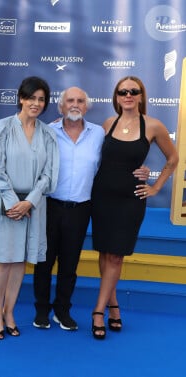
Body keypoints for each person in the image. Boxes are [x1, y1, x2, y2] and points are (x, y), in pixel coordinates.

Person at [32, 87, 151, 332]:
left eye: (80, 101)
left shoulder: (99, 133)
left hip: (82, 208)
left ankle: (62, 310)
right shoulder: (47, 131)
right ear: (61, 106)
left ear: (87, 106)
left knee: (69, 263)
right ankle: (42, 310)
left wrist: (144, 169)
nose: (75, 105)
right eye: (70, 101)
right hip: (50, 205)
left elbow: (120, 157)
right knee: (44, 261)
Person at [90, 76, 177, 340]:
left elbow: (173, 158)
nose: (128, 95)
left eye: (133, 91)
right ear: (116, 97)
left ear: (141, 96)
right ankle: (114, 306)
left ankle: (97, 312)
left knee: (116, 256)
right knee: (105, 254)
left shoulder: (153, 125)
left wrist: (155, 186)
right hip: (102, 197)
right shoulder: (107, 124)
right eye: (122, 91)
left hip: (131, 200)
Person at [0, 76, 59, 340]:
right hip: (4, 202)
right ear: (21, 98)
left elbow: (49, 174)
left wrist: (29, 201)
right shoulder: (2, 127)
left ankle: (9, 312)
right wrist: (13, 203)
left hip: (32, 205)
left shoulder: (48, 133)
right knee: (3, 259)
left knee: (21, 259)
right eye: (31, 98)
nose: (36, 103)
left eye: (41, 99)